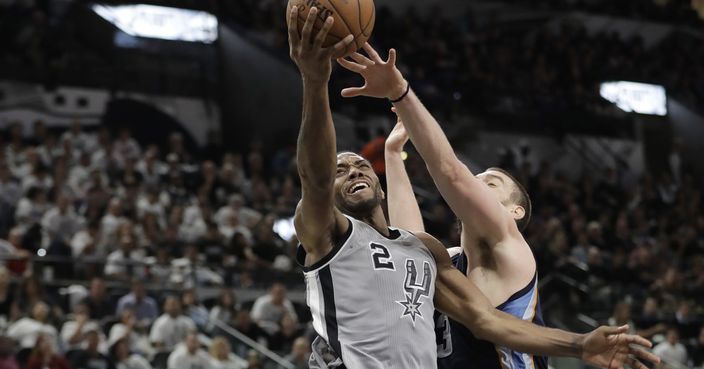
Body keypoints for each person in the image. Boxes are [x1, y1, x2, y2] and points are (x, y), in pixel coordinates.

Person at [286, 7, 657, 369]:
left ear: (516, 212)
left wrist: (578, 344)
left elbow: (451, 175)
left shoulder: (494, 242)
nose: (352, 171)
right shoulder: (397, 245)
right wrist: (389, 151)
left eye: (490, 183)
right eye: (341, 170)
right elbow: (337, 193)